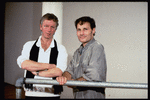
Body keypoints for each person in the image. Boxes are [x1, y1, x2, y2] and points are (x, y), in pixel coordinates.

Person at [17, 13, 68, 99]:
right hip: (31, 93)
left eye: (52, 27)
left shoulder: (61, 48)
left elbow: (58, 71)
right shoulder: (29, 45)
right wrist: (49, 66)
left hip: (52, 94)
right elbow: (24, 64)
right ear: (41, 27)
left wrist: (37, 72)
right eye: (46, 26)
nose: (49, 30)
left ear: (55, 29)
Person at [56, 16, 107, 99]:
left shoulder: (97, 47)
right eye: (79, 30)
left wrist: (74, 83)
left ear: (93, 30)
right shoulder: (77, 52)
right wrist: (64, 77)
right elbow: (69, 71)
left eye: (85, 29)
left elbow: (93, 75)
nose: (81, 33)